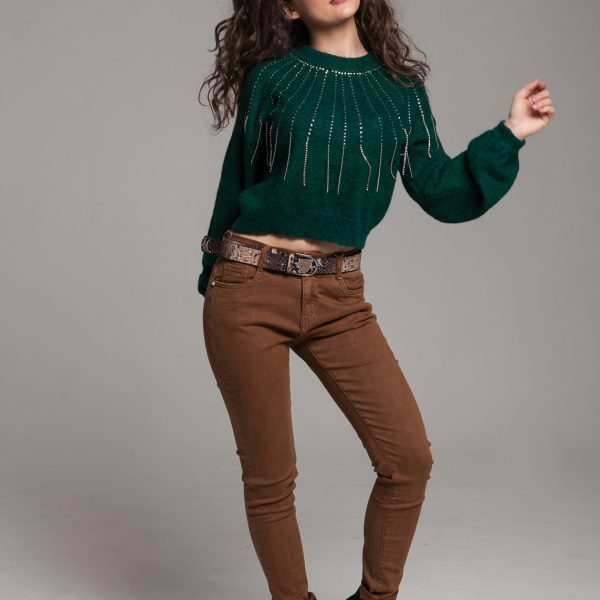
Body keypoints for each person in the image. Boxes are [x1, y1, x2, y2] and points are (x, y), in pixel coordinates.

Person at [196, 2, 554, 599]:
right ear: (289, 6)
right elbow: (237, 178)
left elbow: (443, 192)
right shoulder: (273, 77)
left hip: (339, 296)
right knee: (270, 477)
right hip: (250, 287)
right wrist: (216, 279)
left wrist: (510, 133)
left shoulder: (401, 92)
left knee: (408, 460)